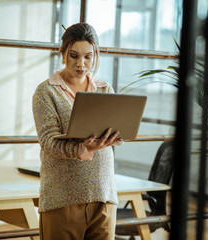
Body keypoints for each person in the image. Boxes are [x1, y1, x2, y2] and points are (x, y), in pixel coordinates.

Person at [32, 22, 123, 240]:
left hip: (103, 195)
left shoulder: (104, 89)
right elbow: (49, 143)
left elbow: (114, 130)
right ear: (62, 53)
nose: (81, 64)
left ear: (95, 56)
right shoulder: (46, 92)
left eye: (88, 57)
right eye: (74, 55)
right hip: (63, 199)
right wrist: (82, 148)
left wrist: (116, 136)